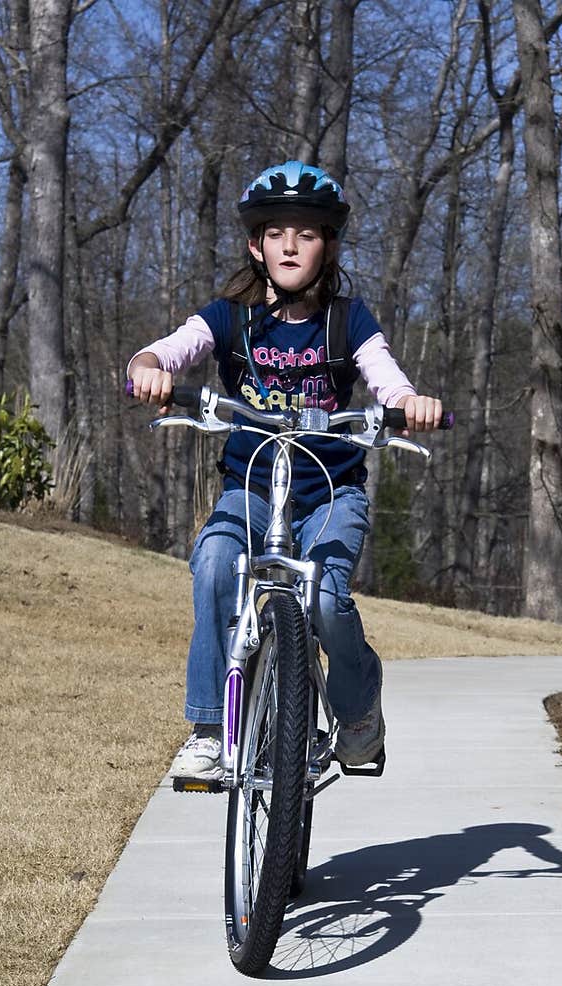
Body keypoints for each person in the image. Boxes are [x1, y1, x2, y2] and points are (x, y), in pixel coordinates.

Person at [127, 160, 442, 782]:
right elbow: (169, 348)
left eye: (307, 233)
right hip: (250, 485)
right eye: (276, 233)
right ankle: (211, 730)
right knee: (216, 564)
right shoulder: (229, 317)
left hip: (329, 492)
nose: (291, 245)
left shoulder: (347, 322)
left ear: (329, 245)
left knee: (326, 599)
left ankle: (356, 713)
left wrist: (409, 405)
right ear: (255, 243)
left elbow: (387, 378)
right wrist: (149, 366)